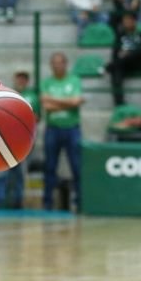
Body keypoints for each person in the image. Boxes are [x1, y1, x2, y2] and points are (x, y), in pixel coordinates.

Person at [40, 53, 84, 211]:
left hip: (72, 128)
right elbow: (46, 105)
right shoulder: (47, 82)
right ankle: (47, 202)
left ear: (66, 64)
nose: (57, 66)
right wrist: (68, 103)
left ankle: (80, 202)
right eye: (54, 63)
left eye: (60, 63)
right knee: (50, 167)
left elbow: (77, 101)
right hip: (53, 128)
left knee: (77, 167)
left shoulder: (74, 80)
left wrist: (54, 100)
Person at [0, 70, 38, 209]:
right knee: (1, 172)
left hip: (23, 141)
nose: (21, 81)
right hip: (5, 140)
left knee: (19, 173)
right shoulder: (7, 95)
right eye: (19, 78)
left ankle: (17, 202)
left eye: (24, 78)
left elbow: (36, 118)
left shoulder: (32, 97)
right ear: (14, 79)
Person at [106, 12, 141, 106]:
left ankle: (108, 67)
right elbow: (115, 52)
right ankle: (119, 104)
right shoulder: (119, 35)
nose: (126, 22)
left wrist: (128, 53)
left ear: (134, 21)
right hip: (122, 64)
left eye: (129, 20)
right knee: (116, 70)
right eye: (125, 21)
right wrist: (122, 56)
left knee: (118, 62)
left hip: (137, 63)